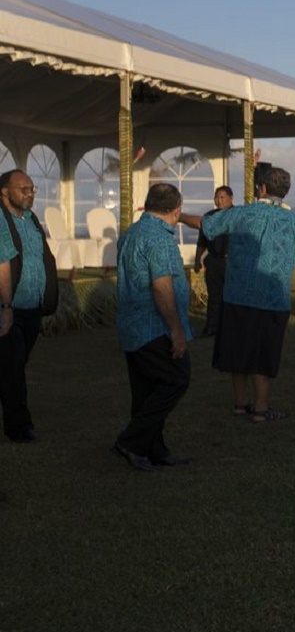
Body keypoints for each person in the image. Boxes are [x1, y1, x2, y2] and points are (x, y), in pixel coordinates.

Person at [199, 166, 295, 422]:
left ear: (261, 188)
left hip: (237, 296)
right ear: (284, 191)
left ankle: (240, 405)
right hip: (272, 299)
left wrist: (174, 216)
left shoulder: (241, 214)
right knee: (263, 352)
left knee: (236, 349)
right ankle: (261, 409)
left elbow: (207, 224)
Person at [113, 183, 194, 471]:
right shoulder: (159, 239)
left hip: (132, 325)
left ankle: (153, 449)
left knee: (146, 390)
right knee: (176, 379)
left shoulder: (131, 233)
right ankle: (132, 441)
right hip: (153, 327)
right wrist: (176, 329)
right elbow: (161, 287)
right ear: (176, 210)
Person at [0, 169, 55, 443]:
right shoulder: (1, 220)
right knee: (12, 368)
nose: (30, 193)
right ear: (4, 191)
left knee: (16, 364)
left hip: (32, 305)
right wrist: (6, 306)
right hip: (9, 307)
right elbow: (2, 265)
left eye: (32, 188)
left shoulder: (32, 218)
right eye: (23, 189)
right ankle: (19, 427)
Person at [194, 185, 234, 337]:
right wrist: (197, 260)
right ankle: (212, 326)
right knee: (214, 296)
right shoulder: (209, 217)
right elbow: (202, 242)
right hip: (213, 261)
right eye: (217, 197)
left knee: (231, 296)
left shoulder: (237, 215)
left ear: (231, 198)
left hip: (231, 262)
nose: (219, 200)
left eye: (223, 197)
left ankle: (230, 327)